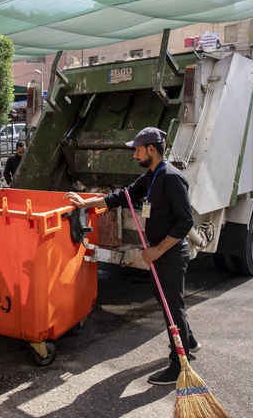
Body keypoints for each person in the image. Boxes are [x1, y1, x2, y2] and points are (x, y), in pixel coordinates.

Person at [63, 127, 199, 386]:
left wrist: (157, 250)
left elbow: (185, 222)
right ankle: (188, 339)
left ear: (151, 149)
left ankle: (179, 363)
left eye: (137, 149)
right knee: (166, 301)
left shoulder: (171, 177)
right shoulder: (151, 176)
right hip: (159, 252)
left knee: (172, 307)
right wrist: (84, 203)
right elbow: (120, 197)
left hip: (169, 253)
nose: (134, 155)